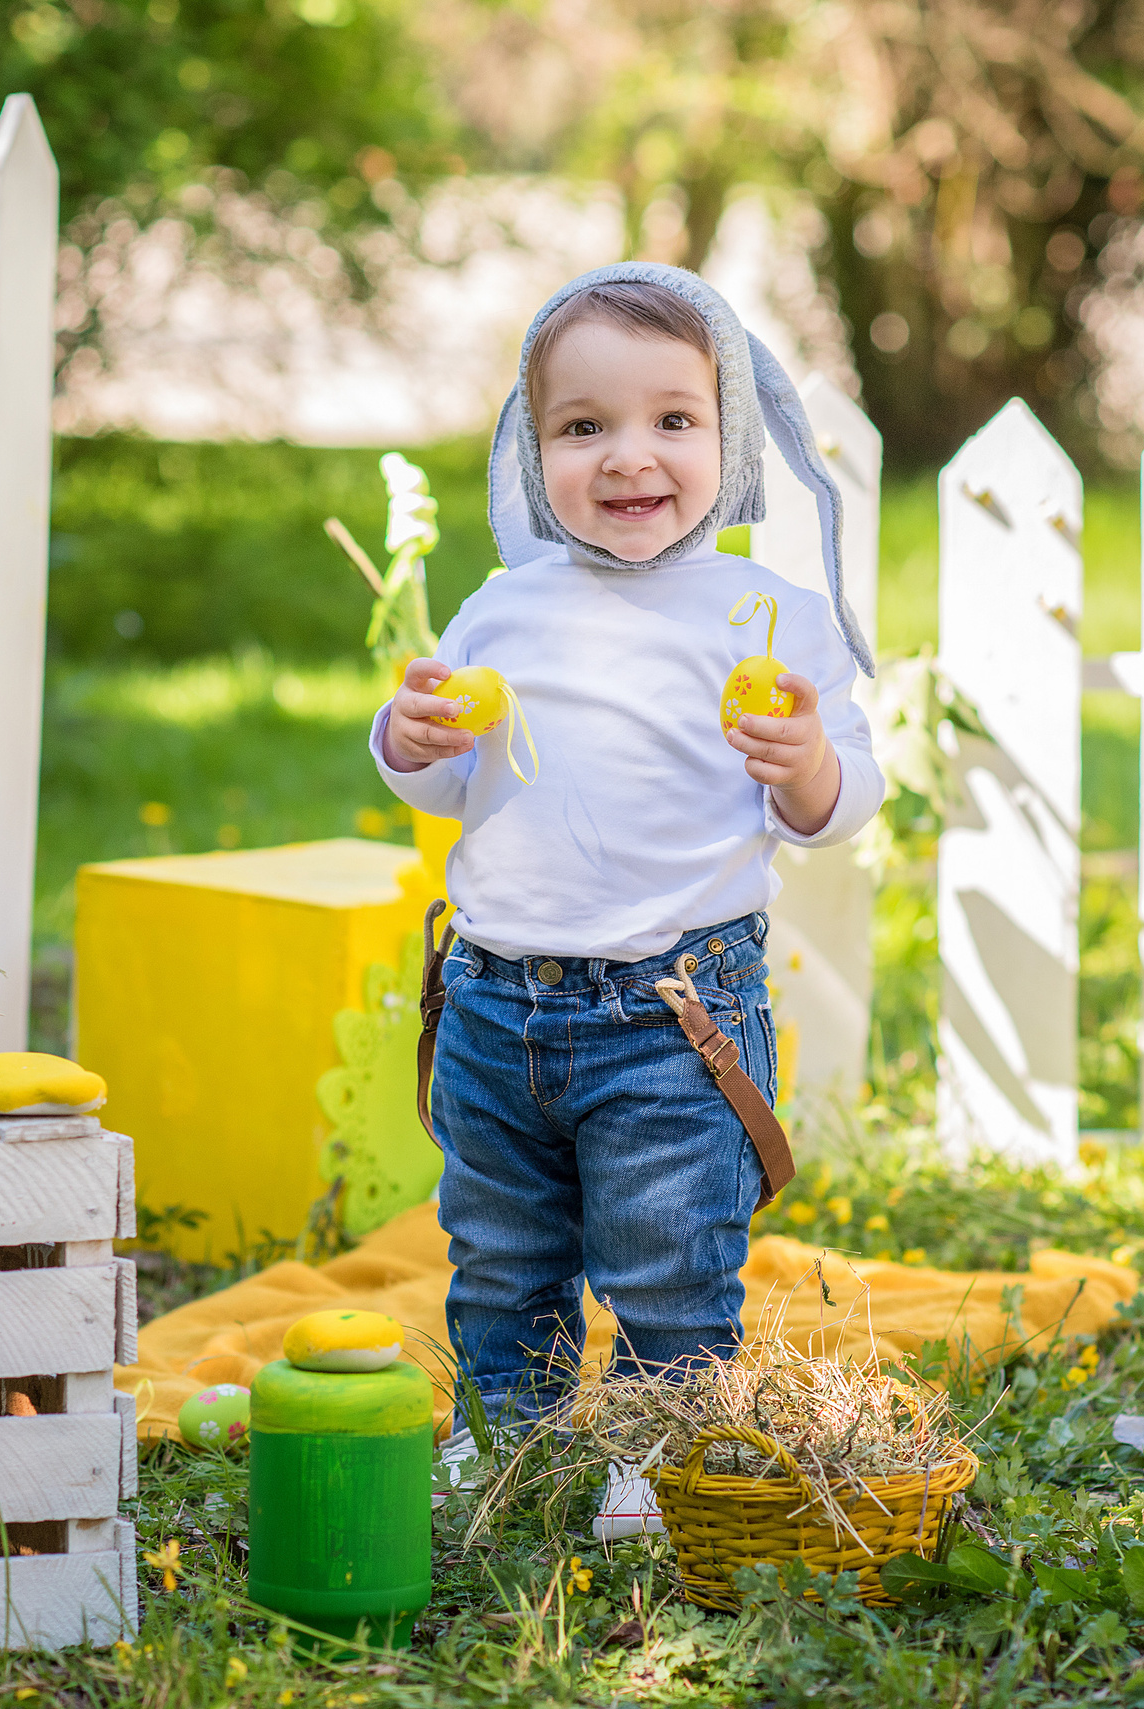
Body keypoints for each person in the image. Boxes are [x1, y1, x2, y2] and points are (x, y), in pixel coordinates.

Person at [372, 262, 881, 1429]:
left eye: (673, 420)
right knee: (500, 1259)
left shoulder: (769, 617)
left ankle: (659, 1454)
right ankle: (514, 1442)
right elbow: (451, 781)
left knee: (666, 1261)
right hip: (493, 1007)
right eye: (583, 426)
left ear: (730, 436)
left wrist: (805, 761)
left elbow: (843, 798)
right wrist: (409, 736)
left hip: (671, 1016)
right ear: (532, 448)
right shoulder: (506, 602)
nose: (627, 457)